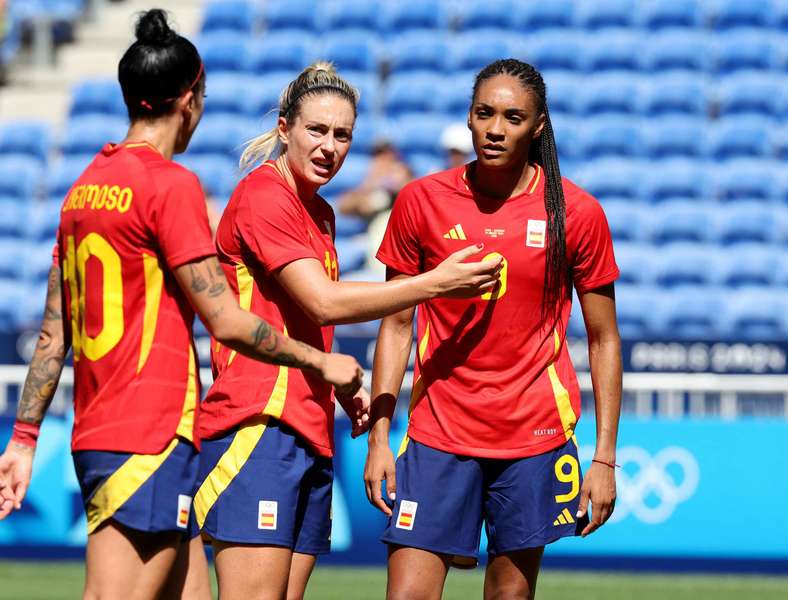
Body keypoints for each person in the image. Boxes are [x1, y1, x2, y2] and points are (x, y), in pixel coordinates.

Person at [0, 12, 363, 600]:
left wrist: (24, 439)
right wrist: (319, 362)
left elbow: (54, 335)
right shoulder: (170, 186)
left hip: (110, 425)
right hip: (149, 428)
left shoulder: (82, 189)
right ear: (190, 99)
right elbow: (227, 320)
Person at [191, 62, 504, 600]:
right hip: (256, 424)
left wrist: (336, 382)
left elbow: (300, 317)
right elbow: (324, 301)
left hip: (307, 430)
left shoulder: (321, 213)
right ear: (285, 127)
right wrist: (434, 283)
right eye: (316, 130)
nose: (329, 147)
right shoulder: (265, 195)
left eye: (342, 135)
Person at [364, 58, 622, 600]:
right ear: (469, 117)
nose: (495, 129)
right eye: (484, 114)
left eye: (512, 117)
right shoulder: (421, 201)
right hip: (437, 434)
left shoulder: (576, 212)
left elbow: (603, 338)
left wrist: (604, 457)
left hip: (533, 437)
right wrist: (380, 436)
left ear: (539, 125)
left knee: (509, 595)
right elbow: (395, 324)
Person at [337, 139, 412, 221]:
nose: (382, 160)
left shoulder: (402, 172)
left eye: (386, 154)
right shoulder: (371, 180)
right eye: (378, 155)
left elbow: (410, 195)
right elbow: (343, 207)